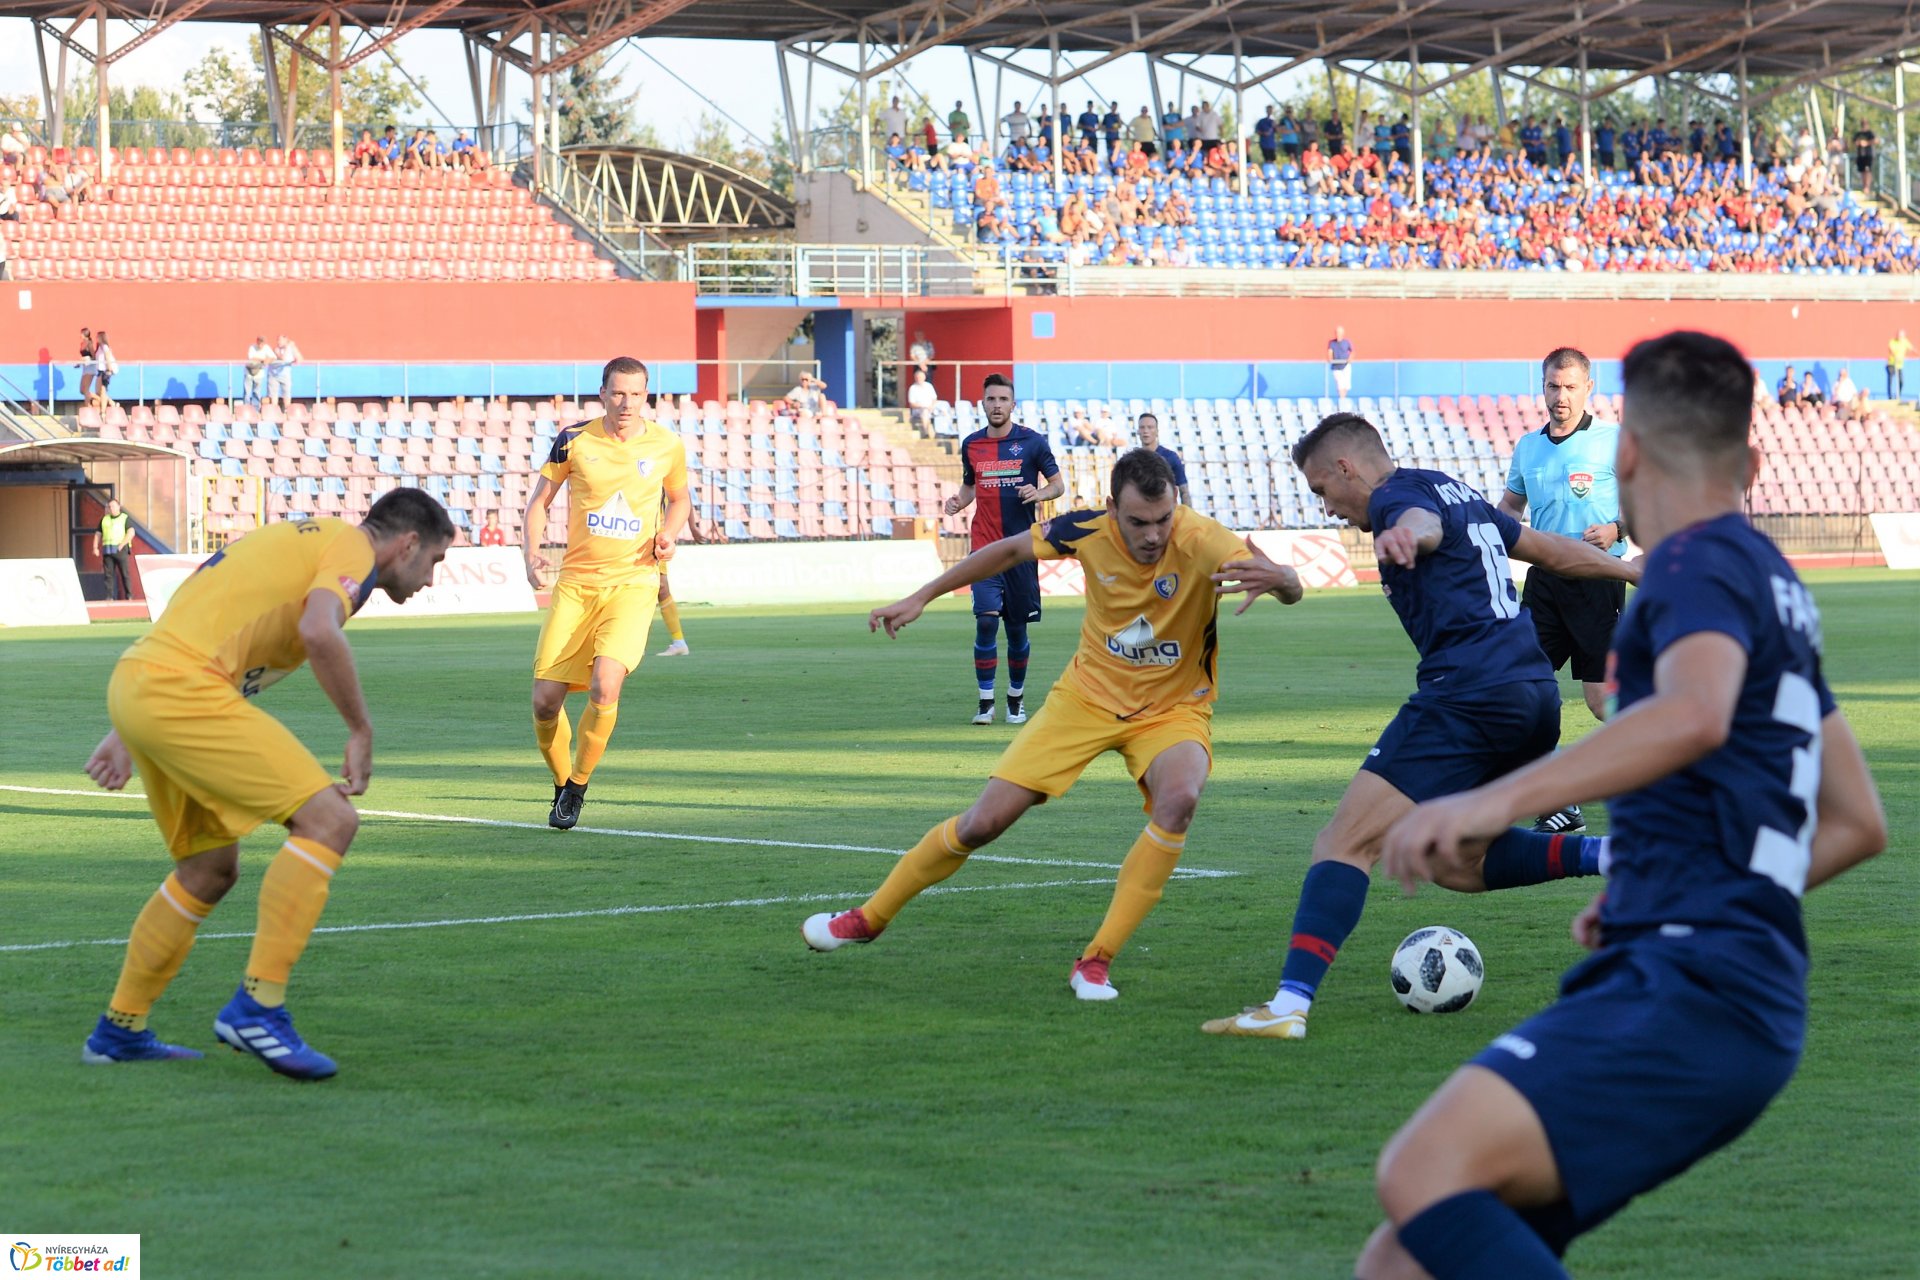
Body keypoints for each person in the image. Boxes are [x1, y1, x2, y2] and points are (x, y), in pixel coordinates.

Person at [1358, 330, 1887, 1280]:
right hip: (1727, 987)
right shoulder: (1774, 583)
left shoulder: (1691, 565)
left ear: (1628, 454)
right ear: (1755, 462)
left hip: (1694, 990)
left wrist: (1489, 804)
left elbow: (1691, 715)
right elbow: (1855, 821)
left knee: (1420, 1171)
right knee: (1403, 1261)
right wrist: (1673, 888)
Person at [1200, 412, 1639, 1042]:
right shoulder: (1447, 485)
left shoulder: (1397, 501)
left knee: (1342, 842)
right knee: (1455, 861)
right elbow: (1545, 550)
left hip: (1468, 695)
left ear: (1346, 468)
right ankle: (1618, 855)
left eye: (1322, 491)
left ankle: (1289, 1006)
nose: (1325, 508)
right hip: (1530, 691)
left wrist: (1407, 535)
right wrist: (1629, 570)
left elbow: (1419, 525)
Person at [804, 450, 1305, 999]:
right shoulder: (1085, 529)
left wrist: (1284, 579)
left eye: (1164, 519)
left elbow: (1286, 585)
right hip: (1085, 700)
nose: (1155, 535)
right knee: (982, 824)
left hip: (1173, 709)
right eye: (1139, 521)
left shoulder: (1204, 538)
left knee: (1181, 798)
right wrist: (923, 594)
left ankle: (1095, 960)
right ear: (1113, 508)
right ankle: (869, 917)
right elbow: (1008, 550)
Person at [79, 489, 454, 1077]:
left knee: (208, 871)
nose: (430, 579)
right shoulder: (351, 549)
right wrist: (360, 729)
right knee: (330, 820)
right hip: (181, 691)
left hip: (144, 681)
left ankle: (118, 1030)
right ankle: (259, 1005)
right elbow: (318, 630)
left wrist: (130, 721)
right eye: (433, 561)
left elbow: (208, 611)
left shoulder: (304, 540)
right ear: (407, 543)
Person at [523, 358, 690, 830]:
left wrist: (671, 533)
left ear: (646, 396)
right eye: (618, 393)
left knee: (606, 683)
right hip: (576, 586)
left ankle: (577, 786)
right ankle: (559, 784)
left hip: (634, 583)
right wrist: (531, 552)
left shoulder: (666, 445)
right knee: (544, 702)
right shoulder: (573, 440)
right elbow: (540, 501)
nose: (626, 403)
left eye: (636, 394)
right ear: (602, 393)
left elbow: (680, 499)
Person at [1497, 348, 1629, 833]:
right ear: (1543, 387)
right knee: (1522, 686)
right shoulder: (1528, 448)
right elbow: (1510, 508)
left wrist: (1617, 527)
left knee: (1600, 700)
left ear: (1588, 388)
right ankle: (1558, 802)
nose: (1561, 396)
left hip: (1598, 578)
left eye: (1571, 386)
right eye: (1554, 386)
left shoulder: (1613, 440)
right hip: (1544, 582)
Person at [944, 373, 1064, 725]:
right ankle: (985, 703)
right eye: (991, 399)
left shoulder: (1033, 443)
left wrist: (1038, 493)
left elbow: (1057, 485)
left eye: (1002, 399)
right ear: (983, 404)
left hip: (1022, 549)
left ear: (1013, 404)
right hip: (984, 546)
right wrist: (958, 502)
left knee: (1016, 630)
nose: (996, 405)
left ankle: (1015, 699)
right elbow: (970, 488)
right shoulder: (972, 445)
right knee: (985, 621)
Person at [1136, 411, 1191, 506]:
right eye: (1142, 427)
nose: (1145, 431)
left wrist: (1188, 516)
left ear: (1157, 431)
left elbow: (1184, 490)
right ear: (1138, 431)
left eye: (1150, 427)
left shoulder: (1170, 457)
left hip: (1166, 513)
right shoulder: (1133, 459)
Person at [96, 497, 135, 601]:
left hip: (120, 550)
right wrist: (95, 547)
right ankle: (109, 596)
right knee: (108, 575)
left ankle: (129, 595)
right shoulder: (104, 519)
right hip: (108, 551)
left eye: (113, 506)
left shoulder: (124, 518)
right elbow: (98, 534)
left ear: (118, 507)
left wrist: (122, 544)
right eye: (109, 507)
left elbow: (131, 532)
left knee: (124, 574)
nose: (111, 508)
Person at [268, 334, 302, 410]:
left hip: (285, 375)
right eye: (277, 340)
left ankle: (287, 411)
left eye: (280, 340)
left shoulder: (291, 348)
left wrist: (293, 349)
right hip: (274, 375)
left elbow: (299, 359)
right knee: (274, 396)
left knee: (286, 395)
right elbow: (282, 358)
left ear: (285, 340)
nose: (278, 342)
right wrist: (287, 348)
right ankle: (274, 411)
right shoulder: (276, 349)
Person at [243, 336, 274, 409]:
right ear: (257, 342)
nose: (261, 345)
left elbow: (272, 357)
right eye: (259, 343)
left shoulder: (267, 348)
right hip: (249, 373)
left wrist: (267, 360)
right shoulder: (252, 347)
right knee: (247, 392)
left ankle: (256, 409)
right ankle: (246, 408)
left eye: (262, 343)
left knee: (257, 392)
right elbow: (252, 357)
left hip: (259, 373)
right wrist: (263, 359)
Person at [91, 331, 117, 411]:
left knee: (102, 390)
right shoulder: (99, 347)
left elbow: (107, 357)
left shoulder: (105, 347)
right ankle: (112, 403)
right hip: (100, 370)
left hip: (105, 370)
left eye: (97, 337)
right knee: (98, 391)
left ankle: (103, 411)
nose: (96, 339)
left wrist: (109, 369)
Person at [906, 367, 937, 432]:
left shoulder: (929, 386)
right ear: (915, 378)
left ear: (924, 377)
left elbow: (934, 398)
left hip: (931, 407)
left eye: (921, 377)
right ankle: (926, 432)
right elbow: (912, 404)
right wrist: (924, 406)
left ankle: (943, 433)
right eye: (918, 377)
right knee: (925, 412)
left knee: (944, 411)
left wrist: (932, 406)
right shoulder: (913, 388)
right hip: (919, 409)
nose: (919, 379)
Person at [1328, 325, 1354, 401]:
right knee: (1340, 384)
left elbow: (1352, 351)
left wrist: (1350, 359)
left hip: (1345, 365)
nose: (1338, 334)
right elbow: (1330, 352)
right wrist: (1330, 358)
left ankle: (1344, 398)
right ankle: (1342, 400)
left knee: (1346, 385)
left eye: (1339, 333)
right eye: (1336, 333)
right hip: (1336, 366)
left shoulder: (1347, 342)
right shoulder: (1332, 343)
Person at [1851, 123, 1875, 195]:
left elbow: (1875, 140)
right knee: (1862, 172)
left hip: (1868, 155)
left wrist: (1866, 143)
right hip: (1860, 155)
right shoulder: (1858, 134)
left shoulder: (1870, 133)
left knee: (1867, 171)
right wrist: (1858, 143)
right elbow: (1853, 141)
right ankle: (1864, 186)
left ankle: (1867, 187)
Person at [1887, 329, 1912, 399]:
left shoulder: (1905, 342)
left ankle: (1898, 395)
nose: (1899, 337)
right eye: (1898, 335)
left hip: (1899, 365)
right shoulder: (1892, 341)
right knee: (1891, 380)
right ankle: (1890, 396)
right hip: (1891, 364)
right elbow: (1890, 350)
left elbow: (1911, 349)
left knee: (1901, 381)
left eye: (1901, 336)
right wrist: (1895, 356)